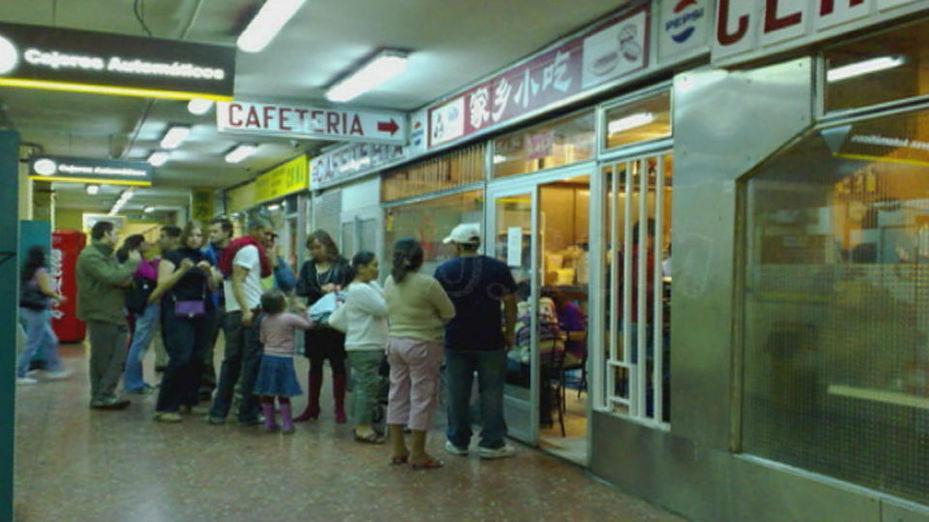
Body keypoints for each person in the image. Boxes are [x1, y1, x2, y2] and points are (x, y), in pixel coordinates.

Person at [434, 223, 518, 459]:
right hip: (491, 341)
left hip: (456, 341)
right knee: (492, 391)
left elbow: (435, 306)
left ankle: (458, 440)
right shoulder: (498, 268)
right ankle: (492, 443)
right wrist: (509, 332)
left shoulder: (444, 271)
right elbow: (510, 303)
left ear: (460, 246)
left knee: (457, 392)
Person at [384, 239, 456, 469]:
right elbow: (449, 311)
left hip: (394, 343)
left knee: (397, 394)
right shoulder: (428, 284)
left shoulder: (389, 281)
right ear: (419, 258)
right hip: (423, 344)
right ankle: (417, 452)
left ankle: (397, 448)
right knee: (422, 397)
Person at [207, 217, 275, 426]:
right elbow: (237, 281)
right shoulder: (249, 250)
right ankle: (247, 412)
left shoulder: (236, 250)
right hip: (247, 310)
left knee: (232, 362)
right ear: (254, 230)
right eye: (265, 233)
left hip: (235, 311)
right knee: (250, 364)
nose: (268, 238)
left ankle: (219, 411)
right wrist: (246, 310)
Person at [149, 221, 217, 423]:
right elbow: (162, 285)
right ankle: (165, 406)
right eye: (192, 235)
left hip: (201, 311)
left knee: (198, 357)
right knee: (181, 357)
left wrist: (208, 273)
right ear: (184, 236)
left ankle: (189, 400)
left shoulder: (204, 257)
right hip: (177, 313)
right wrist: (181, 270)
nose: (195, 239)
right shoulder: (172, 257)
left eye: (199, 235)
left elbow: (213, 287)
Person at [76, 221, 140, 410]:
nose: (117, 237)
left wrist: (122, 276)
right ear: (105, 234)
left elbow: (121, 278)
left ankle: (104, 394)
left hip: (113, 311)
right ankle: (102, 396)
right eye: (115, 233)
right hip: (100, 312)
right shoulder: (90, 256)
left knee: (115, 356)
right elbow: (112, 277)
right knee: (104, 358)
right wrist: (131, 264)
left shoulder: (107, 255)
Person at [294, 230, 351, 423]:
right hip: (316, 322)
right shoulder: (308, 267)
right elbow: (301, 290)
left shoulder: (342, 265)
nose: (314, 252)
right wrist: (317, 293)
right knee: (314, 365)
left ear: (328, 245)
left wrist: (338, 289)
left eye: (318, 247)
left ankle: (340, 408)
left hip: (336, 322)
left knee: (338, 364)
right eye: (311, 248)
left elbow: (352, 288)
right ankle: (312, 406)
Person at [336, 252, 389, 443]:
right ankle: (363, 428)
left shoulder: (370, 286)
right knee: (366, 387)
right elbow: (384, 308)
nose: (377, 268)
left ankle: (361, 422)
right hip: (364, 345)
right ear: (361, 268)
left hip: (369, 344)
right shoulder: (359, 289)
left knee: (364, 386)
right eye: (373, 265)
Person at [254, 288, 313, 434]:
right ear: (281, 303)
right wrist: (303, 311)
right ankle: (287, 424)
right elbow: (308, 325)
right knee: (283, 392)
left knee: (267, 392)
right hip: (284, 360)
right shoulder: (288, 318)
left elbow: (262, 339)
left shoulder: (264, 320)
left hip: (267, 358)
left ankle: (269, 423)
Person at [17, 245, 73, 384]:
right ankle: (19, 373)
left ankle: (53, 368)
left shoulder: (27, 271)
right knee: (32, 343)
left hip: (27, 309)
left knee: (50, 340)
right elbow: (46, 289)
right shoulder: (40, 271)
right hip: (37, 311)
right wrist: (58, 297)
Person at [119, 235, 159, 395]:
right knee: (139, 344)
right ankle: (133, 383)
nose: (149, 243)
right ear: (138, 244)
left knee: (138, 343)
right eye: (145, 241)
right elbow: (153, 276)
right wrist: (156, 263)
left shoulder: (131, 258)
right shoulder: (136, 260)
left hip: (135, 305)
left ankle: (136, 381)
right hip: (145, 305)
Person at [200, 217, 233, 400]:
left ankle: (231, 385)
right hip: (211, 304)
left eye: (215, 231)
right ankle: (207, 385)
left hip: (232, 304)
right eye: (210, 232)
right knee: (206, 347)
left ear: (227, 232)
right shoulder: (205, 253)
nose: (211, 235)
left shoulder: (237, 251)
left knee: (234, 348)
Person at [154, 225, 182, 373]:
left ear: (175, 238)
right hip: (171, 306)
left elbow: (162, 283)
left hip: (182, 306)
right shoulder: (167, 257)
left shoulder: (175, 257)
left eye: (163, 236)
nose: (160, 240)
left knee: (179, 344)